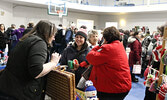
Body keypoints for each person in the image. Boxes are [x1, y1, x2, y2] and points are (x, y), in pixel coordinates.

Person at [0, 20, 61, 100]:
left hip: (8, 88)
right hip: (19, 92)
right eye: (53, 35)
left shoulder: (27, 39)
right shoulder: (39, 43)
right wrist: (53, 63)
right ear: (47, 33)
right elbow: (37, 71)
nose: (53, 38)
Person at [86, 26, 131, 100]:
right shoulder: (119, 45)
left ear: (105, 38)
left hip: (112, 89)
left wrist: (100, 45)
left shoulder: (108, 48)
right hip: (122, 85)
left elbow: (90, 57)